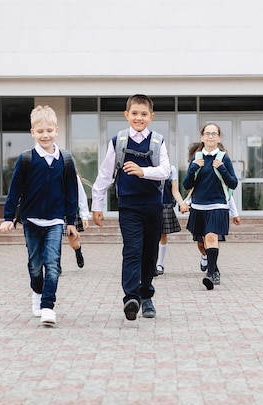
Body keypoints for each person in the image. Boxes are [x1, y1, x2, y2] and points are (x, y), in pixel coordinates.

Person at [91, 94, 170, 320]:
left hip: (154, 205)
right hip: (129, 206)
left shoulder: (157, 141)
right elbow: (106, 174)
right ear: (126, 115)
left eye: (144, 114)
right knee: (132, 250)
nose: (139, 118)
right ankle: (131, 298)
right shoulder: (118, 141)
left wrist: (143, 171)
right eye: (134, 113)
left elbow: (166, 170)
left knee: (150, 253)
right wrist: (97, 205)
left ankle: (146, 295)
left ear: (151, 117)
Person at [0, 105, 79, 327]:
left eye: (49, 130)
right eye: (40, 131)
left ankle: (48, 306)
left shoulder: (65, 160)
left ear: (56, 131)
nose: (45, 135)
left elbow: (71, 192)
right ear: (32, 132)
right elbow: (14, 190)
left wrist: (71, 221)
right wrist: (8, 217)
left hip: (56, 220)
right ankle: (37, 291)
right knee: (35, 265)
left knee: (52, 264)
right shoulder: (26, 159)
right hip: (31, 220)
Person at [182, 123, 238, 290]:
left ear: (219, 137)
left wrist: (222, 169)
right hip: (198, 207)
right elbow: (187, 184)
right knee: (202, 243)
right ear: (202, 137)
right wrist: (192, 169)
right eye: (208, 133)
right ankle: (214, 269)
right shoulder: (197, 158)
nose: (211, 136)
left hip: (218, 205)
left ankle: (210, 275)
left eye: (214, 134)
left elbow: (233, 184)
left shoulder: (224, 158)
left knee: (212, 238)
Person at [155, 164, 185, 276]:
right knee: (149, 236)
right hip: (149, 205)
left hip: (165, 205)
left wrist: (182, 204)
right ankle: (150, 263)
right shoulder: (147, 166)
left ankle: (160, 264)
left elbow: (175, 191)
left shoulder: (171, 169)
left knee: (163, 234)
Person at [65, 173, 91, 269]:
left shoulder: (73, 177)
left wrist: (84, 216)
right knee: (53, 240)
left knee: (73, 242)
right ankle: (55, 265)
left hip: (70, 213)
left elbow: (81, 197)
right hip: (54, 212)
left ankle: (78, 251)